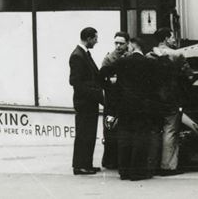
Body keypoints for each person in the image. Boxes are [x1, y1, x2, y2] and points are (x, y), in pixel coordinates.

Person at [100, 36, 161, 180]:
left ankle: (124, 171)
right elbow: (157, 83)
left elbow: (102, 73)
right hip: (143, 106)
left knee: (125, 137)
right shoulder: (149, 63)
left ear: (133, 46)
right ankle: (137, 172)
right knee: (140, 137)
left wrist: (113, 86)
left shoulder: (122, 61)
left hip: (125, 105)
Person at [149, 27, 192, 175]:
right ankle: (167, 166)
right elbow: (189, 76)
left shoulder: (149, 55)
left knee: (154, 130)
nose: (174, 40)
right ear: (166, 38)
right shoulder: (177, 54)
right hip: (171, 98)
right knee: (170, 130)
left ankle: (151, 164)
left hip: (153, 98)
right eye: (172, 37)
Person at [69, 26, 104, 175]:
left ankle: (86, 164)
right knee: (84, 134)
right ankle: (80, 165)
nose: (96, 41)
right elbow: (75, 81)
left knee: (89, 133)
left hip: (89, 101)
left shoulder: (84, 53)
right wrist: (95, 93)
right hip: (85, 102)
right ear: (88, 38)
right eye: (95, 38)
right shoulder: (78, 55)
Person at [100, 31, 130, 170]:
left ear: (127, 44)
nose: (118, 46)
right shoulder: (109, 58)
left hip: (125, 98)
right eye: (116, 43)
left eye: (121, 43)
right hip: (112, 99)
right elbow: (101, 78)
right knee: (110, 129)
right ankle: (111, 160)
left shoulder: (130, 56)